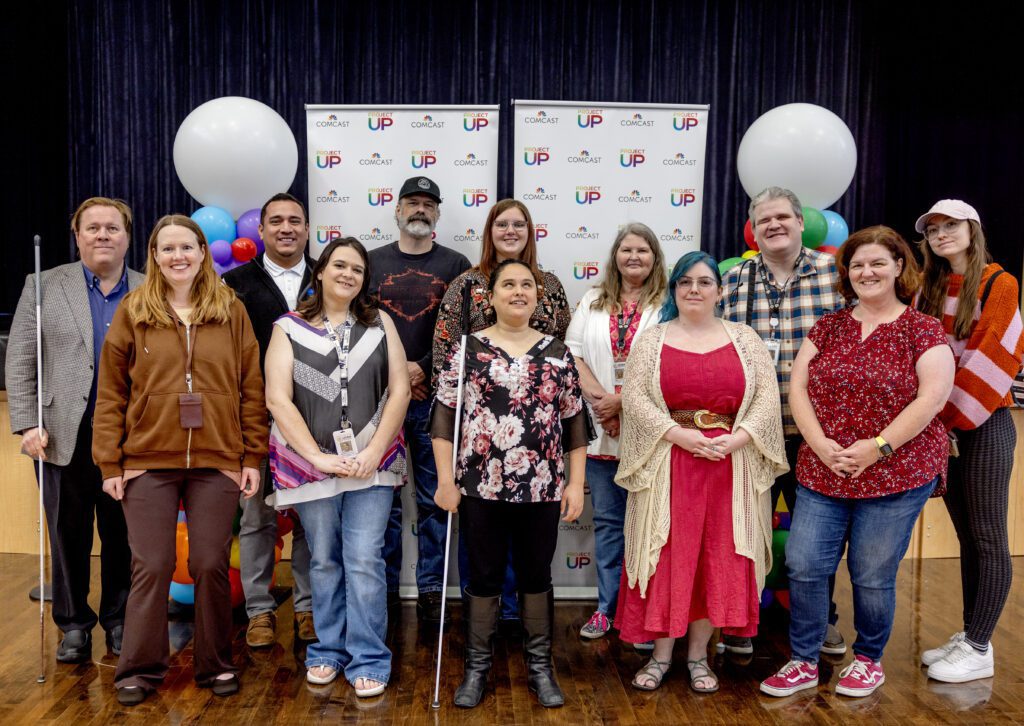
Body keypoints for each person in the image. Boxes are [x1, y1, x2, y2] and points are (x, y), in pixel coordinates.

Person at [760, 226, 954, 699]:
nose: (866, 272)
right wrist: (820, 443)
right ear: (846, 273)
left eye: (877, 263)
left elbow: (932, 398)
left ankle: (868, 660)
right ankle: (803, 660)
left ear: (899, 268)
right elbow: (798, 388)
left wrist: (878, 447)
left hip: (894, 473)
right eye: (857, 264)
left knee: (871, 572)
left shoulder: (922, 329)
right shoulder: (828, 325)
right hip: (825, 467)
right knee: (805, 563)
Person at [92, 215, 268, 705]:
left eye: (186, 248)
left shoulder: (230, 309)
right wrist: (110, 462)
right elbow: (111, 394)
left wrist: (251, 455)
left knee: (211, 561)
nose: (177, 257)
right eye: (166, 249)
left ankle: (216, 664)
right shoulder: (133, 310)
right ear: (154, 256)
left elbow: (251, 388)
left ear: (202, 253)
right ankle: (140, 668)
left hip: (217, 459)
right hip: (147, 459)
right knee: (153, 563)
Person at [614, 251, 787, 693]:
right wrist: (678, 434)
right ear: (674, 289)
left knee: (719, 558)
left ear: (719, 290)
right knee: (670, 556)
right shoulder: (652, 340)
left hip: (732, 467)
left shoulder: (745, 339)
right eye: (685, 281)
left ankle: (698, 659)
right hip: (671, 465)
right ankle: (660, 656)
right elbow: (635, 400)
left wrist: (741, 437)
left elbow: (767, 398)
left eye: (704, 282)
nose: (695, 289)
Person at [432, 258, 591, 708]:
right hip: (479, 487)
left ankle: (540, 666)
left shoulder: (558, 352)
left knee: (536, 575)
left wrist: (575, 484)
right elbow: (444, 419)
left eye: (527, 285)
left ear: (538, 296)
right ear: (491, 295)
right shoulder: (467, 350)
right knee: (483, 576)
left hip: (541, 488)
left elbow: (574, 422)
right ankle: (477, 667)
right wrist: (446, 480)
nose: (518, 291)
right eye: (508, 285)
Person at [264, 237, 410, 697]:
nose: (348, 274)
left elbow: (401, 391)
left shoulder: (380, 323)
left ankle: (369, 655)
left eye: (357, 269)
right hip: (309, 464)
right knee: (323, 559)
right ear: (321, 271)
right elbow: (278, 398)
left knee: (364, 559)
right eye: (339, 265)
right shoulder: (287, 327)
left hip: (374, 461)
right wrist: (317, 457)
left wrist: (372, 452)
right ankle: (328, 650)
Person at [5, 197, 141, 663]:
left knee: (124, 536)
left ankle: (120, 621)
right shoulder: (42, 284)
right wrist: (26, 423)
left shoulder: (149, 288)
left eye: (112, 228)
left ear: (127, 236)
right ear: (77, 235)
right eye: (93, 228)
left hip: (129, 436)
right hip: (61, 433)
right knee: (68, 534)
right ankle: (74, 625)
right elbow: (21, 356)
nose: (103, 235)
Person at [433, 198, 571, 629]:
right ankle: (485, 632)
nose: (510, 231)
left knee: (533, 562)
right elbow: (444, 350)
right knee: (483, 553)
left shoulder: (549, 283)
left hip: (539, 451)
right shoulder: (466, 284)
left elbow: (561, 349)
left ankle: (520, 625)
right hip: (479, 445)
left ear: (531, 231)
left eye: (519, 224)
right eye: (501, 225)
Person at [720, 186, 845, 656]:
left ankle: (824, 622)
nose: (774, 225)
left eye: (782, 217)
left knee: (818, 541)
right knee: (744, 535)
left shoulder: (836, 276)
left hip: (817, 436)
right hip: (751, 435)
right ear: (755, 229)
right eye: (764, 220)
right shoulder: (733, 281)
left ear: (799, 221)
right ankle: (740, 623)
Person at [913, 200, 1024, 683]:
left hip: (983, 423)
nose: (941, 235)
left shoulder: (1000, 282)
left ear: (972, 229)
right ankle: (969, 634)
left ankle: (980, 647)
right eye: (933, 229)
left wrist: (944, 418)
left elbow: (991, 356)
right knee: (967, 538)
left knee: (988, 537)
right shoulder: (928, 288)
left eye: (951, 226)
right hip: (945, 426)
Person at [370, 176, 470, 624]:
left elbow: (465, 330)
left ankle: (431, 588)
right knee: (384, 499)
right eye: (412, 202)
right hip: (379, 399)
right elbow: (357, 326)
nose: (419, 210)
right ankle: (386, 589)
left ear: (437, 214)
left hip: (437, 399)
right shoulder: (370, 263)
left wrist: (422, 367)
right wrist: (397, 373)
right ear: (396, 210)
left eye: (428, 204)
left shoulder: (456, 264)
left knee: (433, 498)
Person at [223, 192, 317, 648]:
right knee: (257, 517)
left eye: (295, 221)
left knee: (311, 519)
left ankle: (308, 608)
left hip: (317, 424)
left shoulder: (330, 277)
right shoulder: (234, 283)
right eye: (275, 221)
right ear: (259, 231)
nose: (286, 228)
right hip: (256, 421)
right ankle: (259, 611)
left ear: (307, 229)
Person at [565, 222, 666, 640]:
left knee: (648, 527)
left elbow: (672, 359)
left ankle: (643, 614)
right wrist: (603, 401)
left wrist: (624, 402)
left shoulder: (668, 303)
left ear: (655, 257)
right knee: (608, 524)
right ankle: (607, 608)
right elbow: (572, 354)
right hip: (600, 431)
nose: (634, 257)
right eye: (626, 250)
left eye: (642, 250)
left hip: (651, 434)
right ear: (615, 256)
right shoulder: (592, 300)